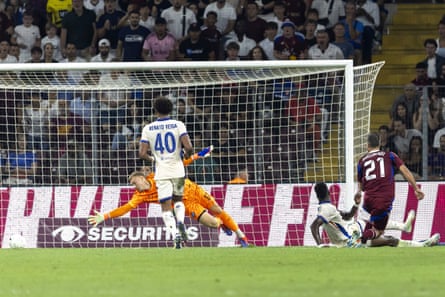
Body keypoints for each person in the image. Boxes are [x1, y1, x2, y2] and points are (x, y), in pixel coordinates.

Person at [88, 153, 251, 247]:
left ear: (141, 178)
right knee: (214, 223)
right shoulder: (140, 196)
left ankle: (241, 235)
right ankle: (221, 225)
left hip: (194, 189)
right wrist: (105, 216)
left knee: (218, 210)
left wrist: (197, 156)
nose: (133, 187)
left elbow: (180, 163)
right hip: (187, 203)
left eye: (133, 182)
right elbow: (125, 208)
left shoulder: (155, 175)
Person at [350, 133, 425, 247]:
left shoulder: (362, 160)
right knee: (379, 231)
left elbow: (360, 181)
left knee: (370, 225)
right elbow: (404, 170)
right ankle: (358, 240)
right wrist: (416, 188)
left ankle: (361, 243)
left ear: (367, 145)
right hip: (383, 200)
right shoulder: (389, 155)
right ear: (379, 143)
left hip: (368, 200)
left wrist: (359, 192)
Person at [310, 182, 440, 248]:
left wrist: (356, 205)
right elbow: (314, 226)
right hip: (353, 241)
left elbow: (348, 215)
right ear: (328, 191)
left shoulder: (328, 208)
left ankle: (405, 228)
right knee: (388, 238)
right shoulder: (326, 209)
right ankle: (421, 243)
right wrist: (320, 245)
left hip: (353, 234)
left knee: (377, 227)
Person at [138, 96, 194, 249]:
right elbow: (188, 147)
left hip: (161, 171)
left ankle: (175, 235)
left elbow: (142, 154)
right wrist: (187, 155)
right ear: (171, 109)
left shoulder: (148, 128)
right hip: (178, 169)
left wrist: (153, 159)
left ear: (155, 110)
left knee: (165, 206)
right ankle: (181, 222)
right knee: (178, 200)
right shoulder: (178, 124)